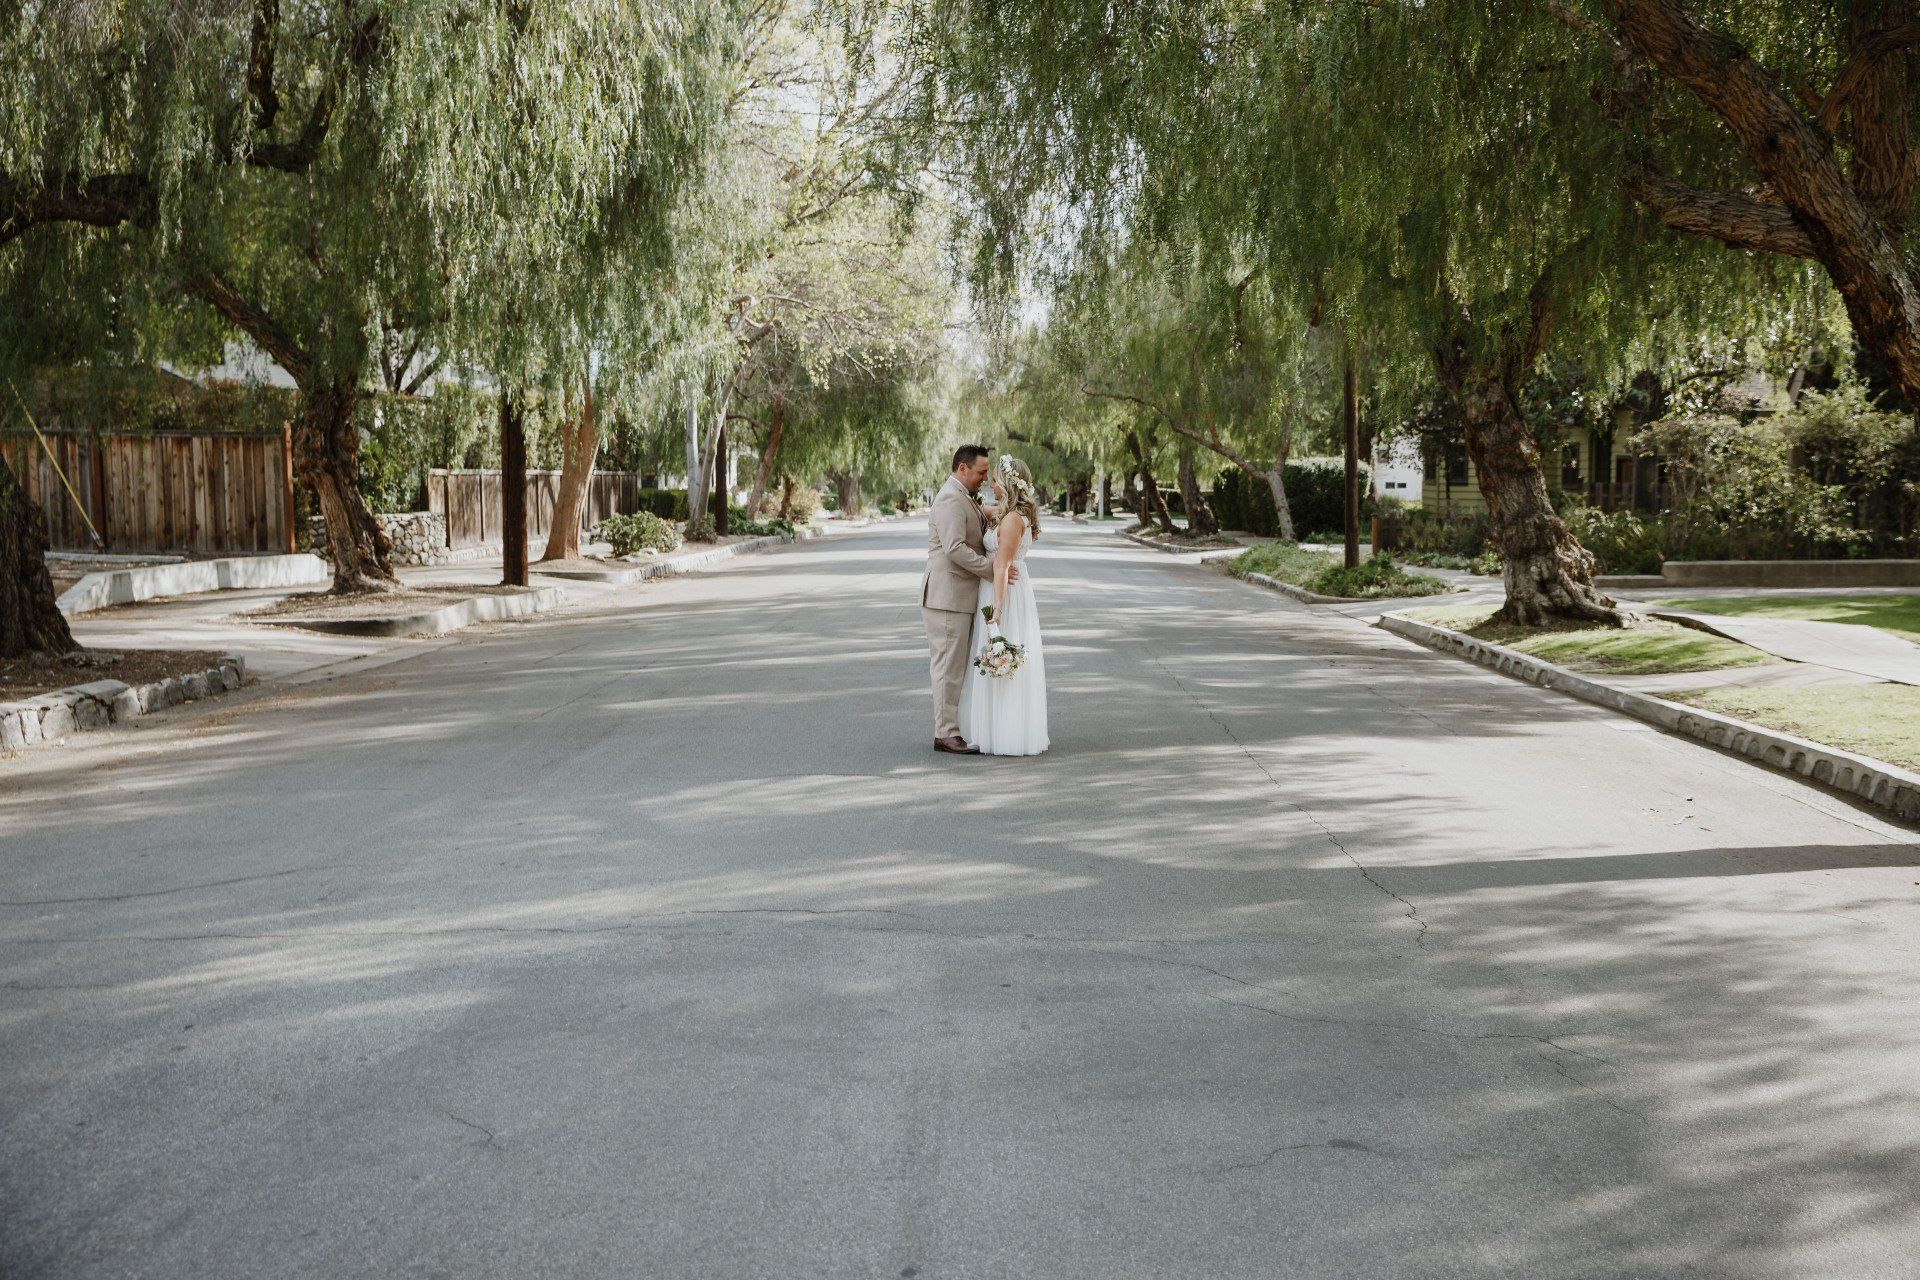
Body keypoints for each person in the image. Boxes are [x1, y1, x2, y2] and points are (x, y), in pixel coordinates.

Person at [920, 445, 1018, 754]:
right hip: (947, 597)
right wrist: (992, 568)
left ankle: (949, 728)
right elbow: (954, 547)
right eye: (981, 472)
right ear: (963, 468)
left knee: (955, 666)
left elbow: (979, 515)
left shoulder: (963, 496)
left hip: (957, 596)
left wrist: (1002, 511)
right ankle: (945, 733)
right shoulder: (951, 498)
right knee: (948, 668)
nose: (985, 478)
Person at [959, 455, 1049, 756]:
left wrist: (996, 611)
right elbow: (983, 509)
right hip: (1000, 588)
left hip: (1004, 594)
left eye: (995, 479)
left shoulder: (1011, 520)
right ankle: (993, 728)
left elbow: (1001, 566)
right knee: (998, 658)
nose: (991, 484)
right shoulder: (1007, 513)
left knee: (1001, 653)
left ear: (1008, 484)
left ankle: (1005, 733)